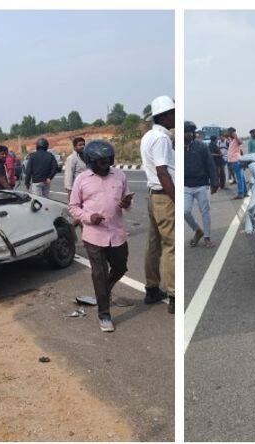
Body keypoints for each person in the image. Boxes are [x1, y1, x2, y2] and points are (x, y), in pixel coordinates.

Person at [68, 141, 133, 332]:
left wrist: (126, 204)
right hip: (93, 235)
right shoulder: (81, 179)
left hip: (117, 233)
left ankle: (103, 291)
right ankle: (104, 315)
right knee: (99, 273)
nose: (106, 165)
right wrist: (89, 217)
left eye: (108, 161)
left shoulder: (120, 175)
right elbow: (73, 207)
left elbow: (128, 202)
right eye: (101, 162)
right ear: (91, 161)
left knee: (121, 267)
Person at [140, 95, 175, 314]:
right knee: (171, 245)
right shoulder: (162, 139)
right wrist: (175, 198)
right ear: (165, 115)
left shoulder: (148, 136)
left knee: (153, 244)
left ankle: (152, 288)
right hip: (163, 196)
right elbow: (162, 170)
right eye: (173, 113)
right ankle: (174, 294)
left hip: (153, 196)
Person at [184, 121, 218, 248]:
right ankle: (198, 230)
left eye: (189, 132)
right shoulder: (176, 148)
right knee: (185, 212)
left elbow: (210, 165)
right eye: (184, 132)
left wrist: (214, 182)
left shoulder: (202, 147)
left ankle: (207, 237)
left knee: (205, 211)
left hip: (202, 185)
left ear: (193, 133)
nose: (187, 135)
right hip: (185, 186)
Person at [227, 127, 246, 199]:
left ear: (232, 133)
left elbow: (240, 142)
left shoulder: (236, 139)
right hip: (234, 162)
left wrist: (235, 135)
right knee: (241, 178)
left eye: (229, 132)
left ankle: (240, 194)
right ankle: (245, 192)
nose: (228, 133)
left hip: (236, 162)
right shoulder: (232, 141)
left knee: (239, 179)